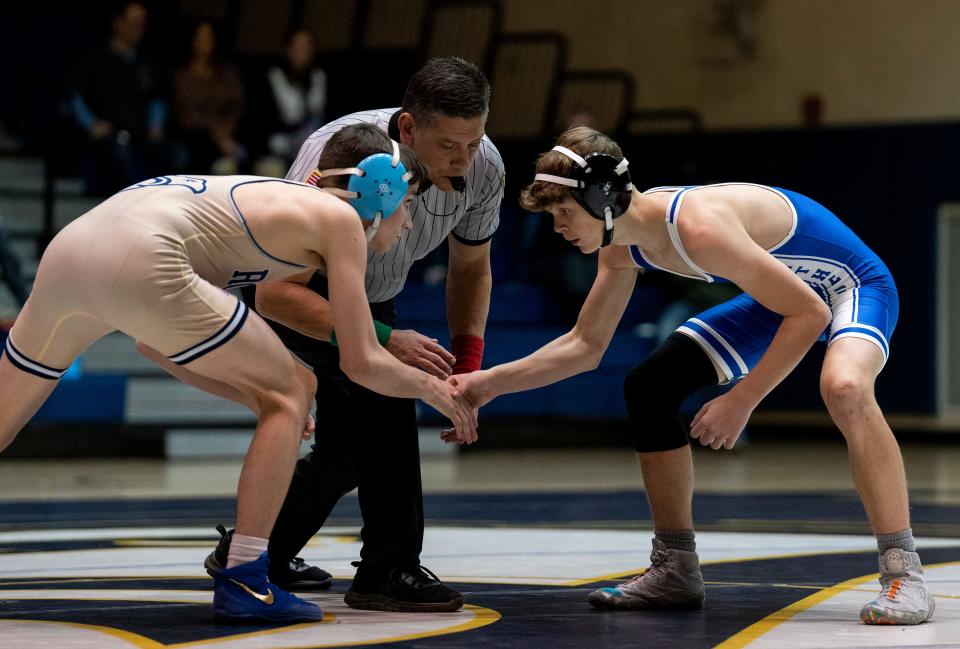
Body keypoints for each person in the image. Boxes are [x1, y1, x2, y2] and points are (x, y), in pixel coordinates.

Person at [449, 126, 933, 626]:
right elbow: (584, 345)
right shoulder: (621, 244)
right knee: (650, 387)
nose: (557, 228)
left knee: (845, 388)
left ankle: (904, 573)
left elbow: (809, 312)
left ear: (604, 199)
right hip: (782, 295)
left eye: (564, 213)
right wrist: (486, 384)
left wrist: (740, 400)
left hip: (849, 283)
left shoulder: (699, 228)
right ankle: (675, 566)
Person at [0, 123, 476, 625]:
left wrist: (254, 396)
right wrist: (436, 390)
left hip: (73, 249)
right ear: (382, 190)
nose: (407, 224)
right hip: (144, 252)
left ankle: (249, 565)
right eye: (408, 204)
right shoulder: (340, 219)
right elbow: (360, 360)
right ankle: (246, 578)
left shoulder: (268, 211)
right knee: (297, 389)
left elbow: (154, 344)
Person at [206, 56, 503, 613]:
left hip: (369, 293)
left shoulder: (484, 165)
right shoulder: (338, 152)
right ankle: (387, 571)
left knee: (344, 455)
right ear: (409, 128)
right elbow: (276, 294)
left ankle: (254, 553)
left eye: (474, 142)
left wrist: (467, 360)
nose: (463, 163)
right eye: (448, 148)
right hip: (302, 292)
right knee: (388, 398)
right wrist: (385, 339)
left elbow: (470, 268)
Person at [70, 2, 177, 194]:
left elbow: (157, 99)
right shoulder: (95, 59)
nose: (139, 28)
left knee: (175, 154)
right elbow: (75, 97)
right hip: (108, 135)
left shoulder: (146, 63)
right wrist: (91, 124)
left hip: (142, 134)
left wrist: (156, 125)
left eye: (142, 23)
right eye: (133, 22)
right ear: (118, 23)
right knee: (121, 157)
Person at [171, 21, 245, 175]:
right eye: (200, 38)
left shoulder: (226, 72)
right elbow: (188, 114)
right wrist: (217, 136)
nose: (205, 43)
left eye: (209, 38)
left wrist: (226, 131)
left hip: (229, 134)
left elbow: (236, 104)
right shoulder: (182, 75)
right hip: (197, 138)